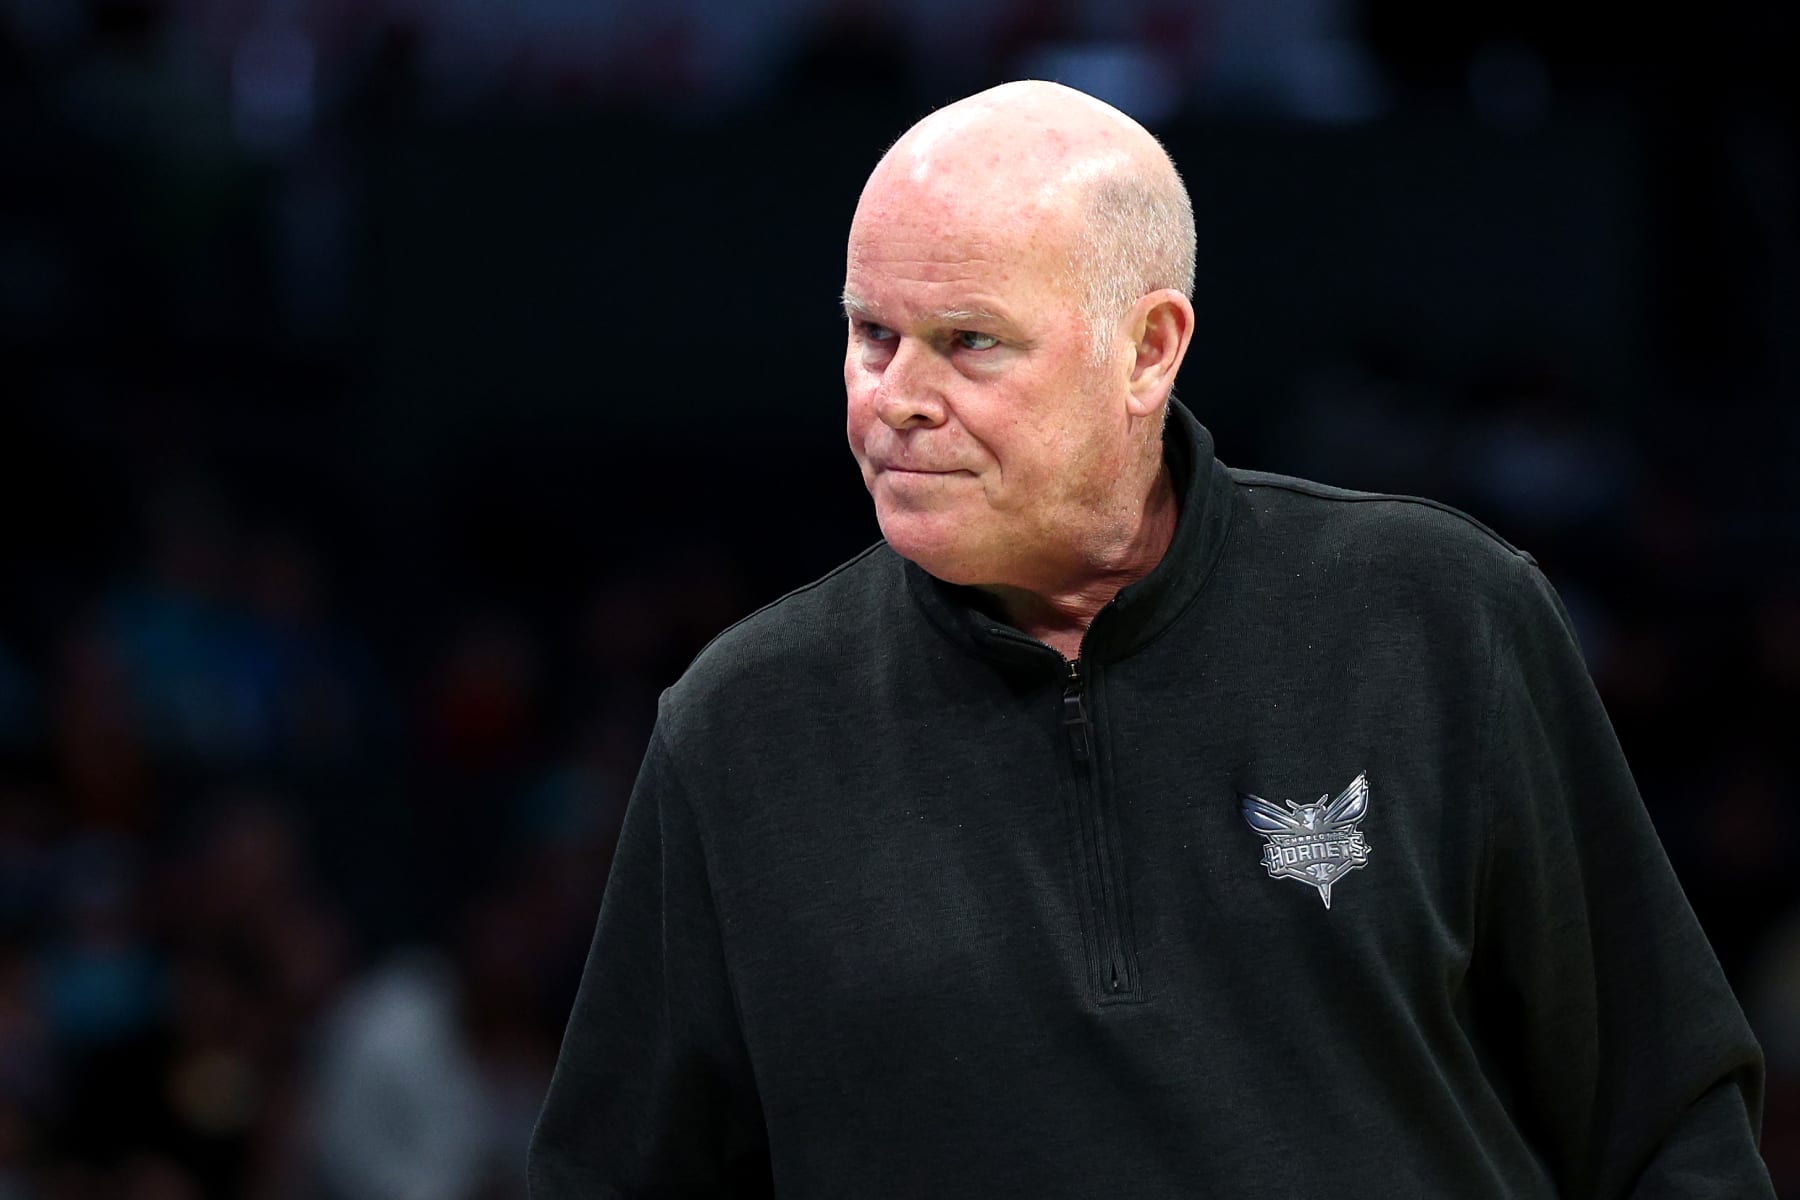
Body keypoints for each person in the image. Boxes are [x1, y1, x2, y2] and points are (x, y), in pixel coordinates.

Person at [528, 80, 1774, 1197]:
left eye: (969, 341)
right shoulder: (742, 726)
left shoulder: (1441, 617)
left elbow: (1667, 1116)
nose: (895, 398)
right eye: (872, 335)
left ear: (1148, 349)